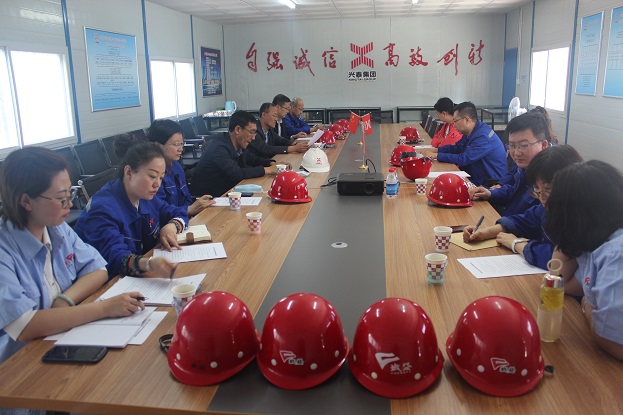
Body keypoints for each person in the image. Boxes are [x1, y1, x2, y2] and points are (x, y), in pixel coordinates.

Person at [0, 147, 145, 370]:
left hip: (61, 342)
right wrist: (104, 309)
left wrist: (64, 300)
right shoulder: (5, 249)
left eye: (71, 194)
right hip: (19, 365)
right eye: (61, 198)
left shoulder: (56, 228)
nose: (69, 204)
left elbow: (98, 270)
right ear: (26, 201)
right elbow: (24, 325)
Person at [74, 138, 187, 279]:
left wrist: (171, 227)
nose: (157, 184)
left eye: (161, 178)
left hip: (137, 275)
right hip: (108, 283)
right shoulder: (102, 209)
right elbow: (116, 258)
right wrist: (148, 264)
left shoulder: (144, 196)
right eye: (152, 176)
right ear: (128, 172)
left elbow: (178, 212)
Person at [546, 160, 623, 361]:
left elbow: (614, 342)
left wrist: (587, 307)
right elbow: (561, 283)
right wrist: (568, 237)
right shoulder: (596, 241)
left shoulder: (616, 254)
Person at [463, 145, 582, 270]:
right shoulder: (549, 205)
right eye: (537, 191)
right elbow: (526, 221)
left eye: (547, 191)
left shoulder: (580, 217)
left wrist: (517, 244)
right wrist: (486, 232)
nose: (542, 198)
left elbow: (558, 259)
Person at [469, 111, 550, 216]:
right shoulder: (525, 164)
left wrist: (504, 223)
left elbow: (532, 220)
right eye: (512, 145)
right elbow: (514, 192)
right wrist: (490, 193)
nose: (516, 153)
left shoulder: (550, 179)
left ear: (543, 145)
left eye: (524, 145)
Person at [190, 110, 278, 198]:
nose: (253, 138)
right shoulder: (219, 148)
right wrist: (267, 170)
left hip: (227, 192)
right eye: (251, 132)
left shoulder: (238, 144)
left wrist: (271, 163)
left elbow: (252, 159)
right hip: (208, 199)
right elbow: (237, 173)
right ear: (238, 129)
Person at [420, 101, 507, 186]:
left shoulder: (483, 136)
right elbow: (457, 148)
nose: (454, 125)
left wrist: (436, 155)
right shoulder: (471, 131)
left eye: (455, 121)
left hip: (488, 184)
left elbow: (464, 159)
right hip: (474, 177)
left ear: (467, 120)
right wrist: (436, 150)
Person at [147, 119, 215, 216]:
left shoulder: (177, 166)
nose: (180, 149)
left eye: (182, 144)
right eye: (175, 144)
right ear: (158, 145)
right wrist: (188, 210)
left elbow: (186, 198)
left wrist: (197, 206)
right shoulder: (152, 174)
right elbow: (159, 210)